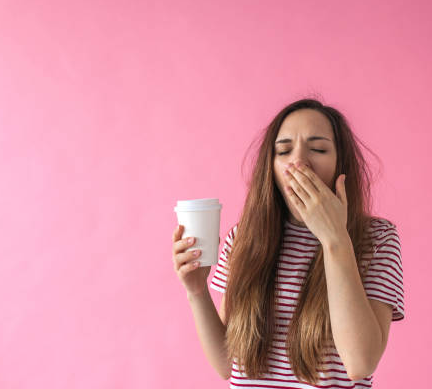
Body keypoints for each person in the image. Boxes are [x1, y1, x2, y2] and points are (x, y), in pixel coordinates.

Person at [172, 98, 404, 388]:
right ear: (271, 168)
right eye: (283, 151)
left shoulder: (377, 239)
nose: (298, 162)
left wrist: (335, 239)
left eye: (318, 149)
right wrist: (196, 291)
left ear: (341, 166)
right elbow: (227, 364)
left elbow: (360, 362)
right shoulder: (243, 238)